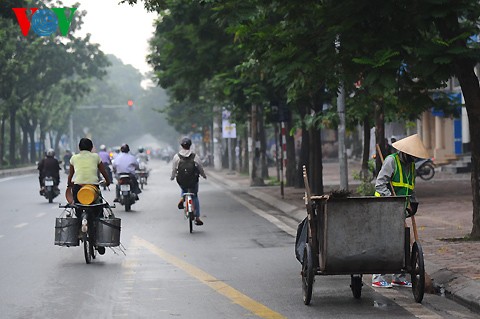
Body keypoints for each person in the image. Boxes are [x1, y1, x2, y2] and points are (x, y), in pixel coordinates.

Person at [372, 134, 430, 288]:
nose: (413, 159)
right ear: (404, 152)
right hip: (384, 207)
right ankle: (378, 277)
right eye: (411, 156)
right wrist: (392, 199)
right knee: (385, 241)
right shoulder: (391, 161)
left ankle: (399, 277)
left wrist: (412, 203)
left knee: (401, 243)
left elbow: (410, 188)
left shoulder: (411, 166)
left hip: (400, 210)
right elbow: (380, 185)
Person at [67, 138, 111, 255]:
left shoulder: (74, 158)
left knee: (78, 207)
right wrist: (107, 181)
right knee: (99, 210)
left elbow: (70, 176)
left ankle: (79, 228)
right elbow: (103, 172)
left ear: (79, 148)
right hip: (93, 189)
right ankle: (99, 241)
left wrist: (70, 184)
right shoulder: (96, 157)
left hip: (78, 188)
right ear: (91, 148)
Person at [170, 137, 207, 225]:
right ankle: (197, 217)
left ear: (181, 146)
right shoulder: (195, 156)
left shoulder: (176, 157)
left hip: (181, 181)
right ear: (190, 145)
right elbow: (200, 168)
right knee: (195, 196)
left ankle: (183, 197)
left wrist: (172, 177)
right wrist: (203, 175)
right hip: (193, 181)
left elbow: (174, 170)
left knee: (184, 188)